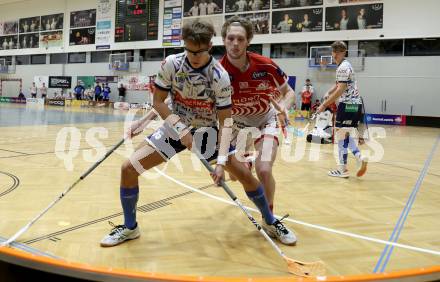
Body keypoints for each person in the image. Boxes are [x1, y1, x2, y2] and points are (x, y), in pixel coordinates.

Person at [100, 19, 296, 247]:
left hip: (208, 133)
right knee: (129, 168)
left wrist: (221, 162)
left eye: (199, 52)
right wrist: (176, 128)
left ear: (209, 47)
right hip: (174, 128)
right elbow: (159, 101)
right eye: (189, 50)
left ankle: (271, 221)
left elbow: (225, 123)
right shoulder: (171, 64)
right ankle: (130, 227)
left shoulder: (219, 76)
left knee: (245, 177)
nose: (193, 57)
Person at [220, 16, 296, 244]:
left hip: (266, 120)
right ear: (224, 40)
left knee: (264, 170)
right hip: (237, 127)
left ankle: (269, 219)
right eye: (230, 38)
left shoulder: (265, 65)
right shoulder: (217, 72)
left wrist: (284, 106)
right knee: (237, 177)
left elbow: (289, 92)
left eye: (240, 39)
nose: (235, 43)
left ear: (248, 41)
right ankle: (244, 165)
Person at [316, 41, 368, 178]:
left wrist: (324, 104)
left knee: (339, 138)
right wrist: (329, 91)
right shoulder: (347, 65)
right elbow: (339, 85)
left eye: (335, 52)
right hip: (356, 106)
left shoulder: (342, 67)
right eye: (334, 51)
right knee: (344, 136)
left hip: (346, 105)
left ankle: (342, 170)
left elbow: (341, 89)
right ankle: (359, 157)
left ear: (338, 53)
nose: (334, 55)